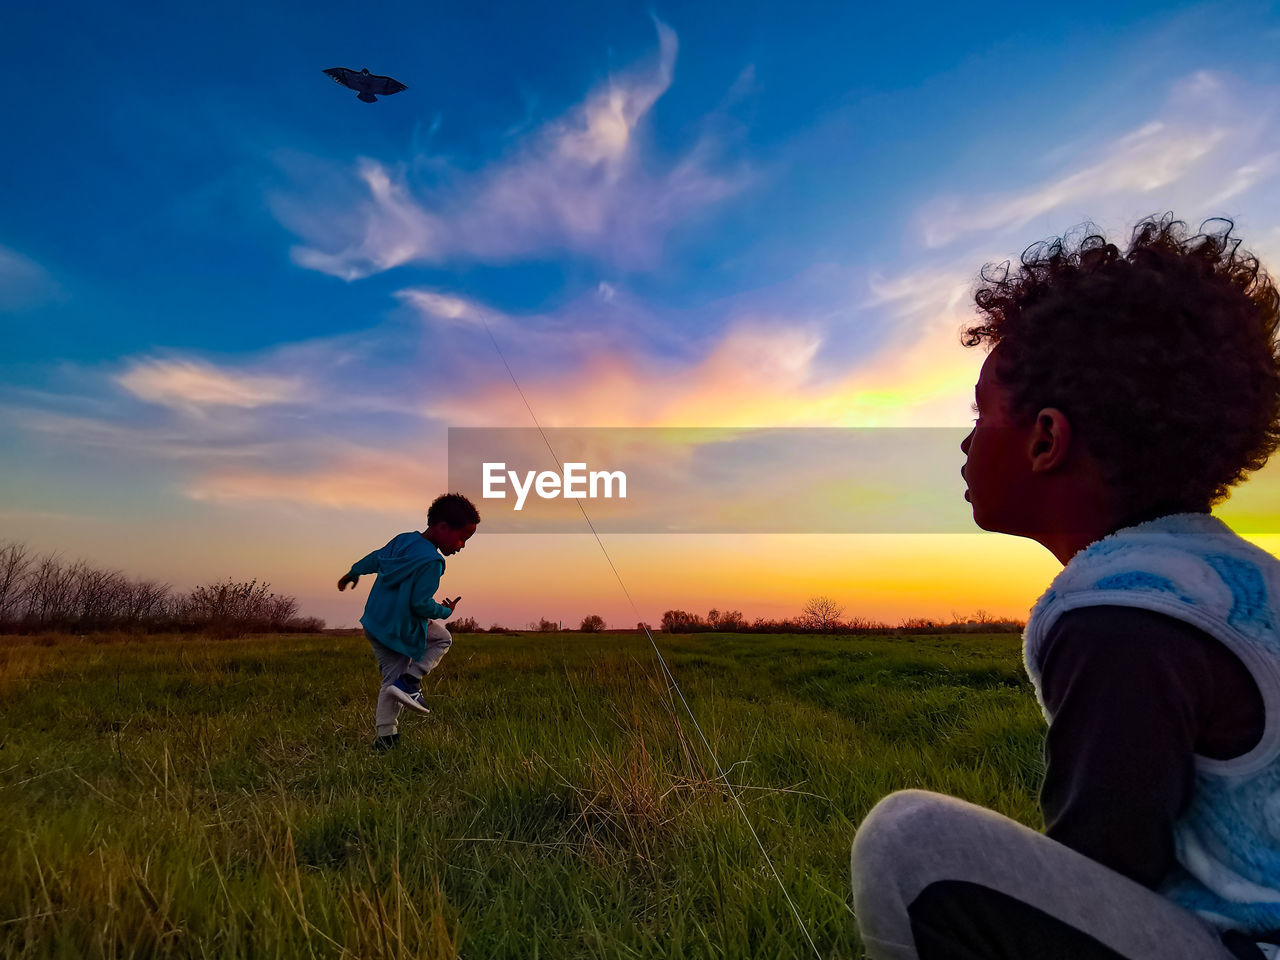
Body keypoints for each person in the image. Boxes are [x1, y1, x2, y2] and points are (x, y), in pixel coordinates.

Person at [850, 215, 1280, 960]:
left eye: (981, 414)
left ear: (1046, 440)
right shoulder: (1240, 582)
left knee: (908, 844)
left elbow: (1101, 875)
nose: (964, 440)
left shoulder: (1121, 613)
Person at [338, 492, 480, 752]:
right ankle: (411, 681)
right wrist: (445, 612)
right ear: (442, 527)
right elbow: (419, 604)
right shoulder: (433, 562)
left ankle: (387, 736)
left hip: (375, 622)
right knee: (442, 639)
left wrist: (355, 570)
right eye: (462, 538)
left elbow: (377, 557)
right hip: (398, 628)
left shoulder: (403, 540)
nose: (461, 546)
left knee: (391, 680)